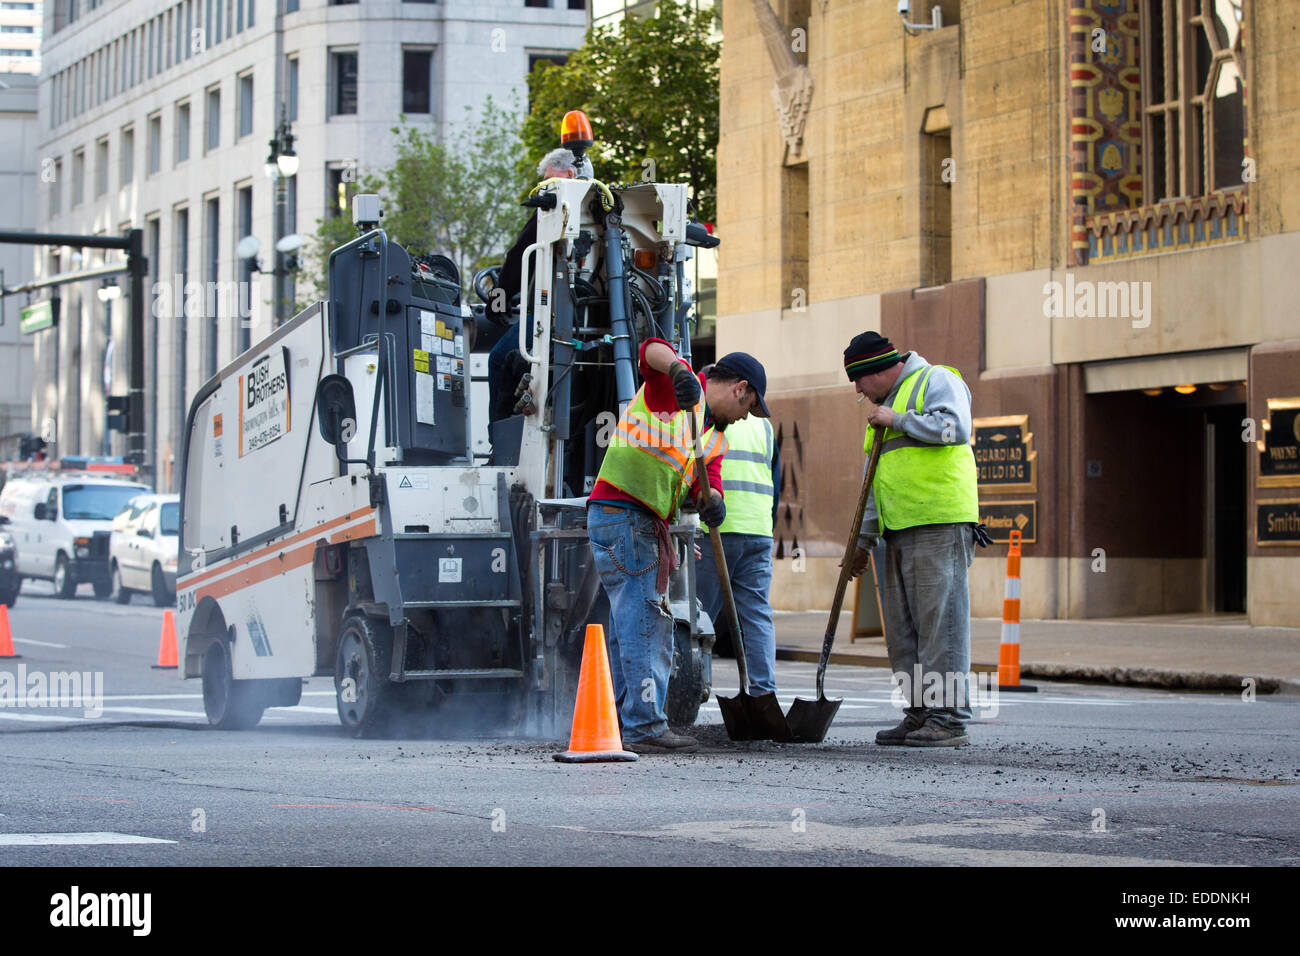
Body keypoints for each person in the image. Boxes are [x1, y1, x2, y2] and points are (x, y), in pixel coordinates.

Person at [587, 341, 770, 754]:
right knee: (647, 624)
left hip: (628, 519)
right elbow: (651, 348)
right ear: (739, 389)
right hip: (626, 514)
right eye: (750, 407)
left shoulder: (714, 433)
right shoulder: (681, 392)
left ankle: (623, 718)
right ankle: (645, 724)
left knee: (630, 625)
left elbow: (708, 478)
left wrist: (713, 500)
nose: (745, 418)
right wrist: (678, 372)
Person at [841, 331, 979, 747]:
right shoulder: (882, 412)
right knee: (903, 631)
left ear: (877, 370)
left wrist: (898, 421)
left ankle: (948, 718)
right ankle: (920, 712)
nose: (859, 391)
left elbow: (956, 427)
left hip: (938, 522)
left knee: (940, 625)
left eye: (859, 381)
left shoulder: (936, 380)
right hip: (896, 530)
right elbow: (873, 484)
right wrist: (861, 544)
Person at [487, 148, 579, 421]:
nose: (545, 189)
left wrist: (497, 303)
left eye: (551, 180)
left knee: (499, 358)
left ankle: (500, 438)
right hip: (581, 318)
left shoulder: (553, 211)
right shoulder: (602, 212)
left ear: (570, 174)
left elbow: (516, 259)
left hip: (547, 315)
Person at [695, 404, 780, 696]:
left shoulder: (707, 419)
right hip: (758, 530)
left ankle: (695, 687)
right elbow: (775, 481)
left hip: (716, 529)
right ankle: (763, 692)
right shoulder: (764, 427)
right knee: (757, 614)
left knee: (699, 614)